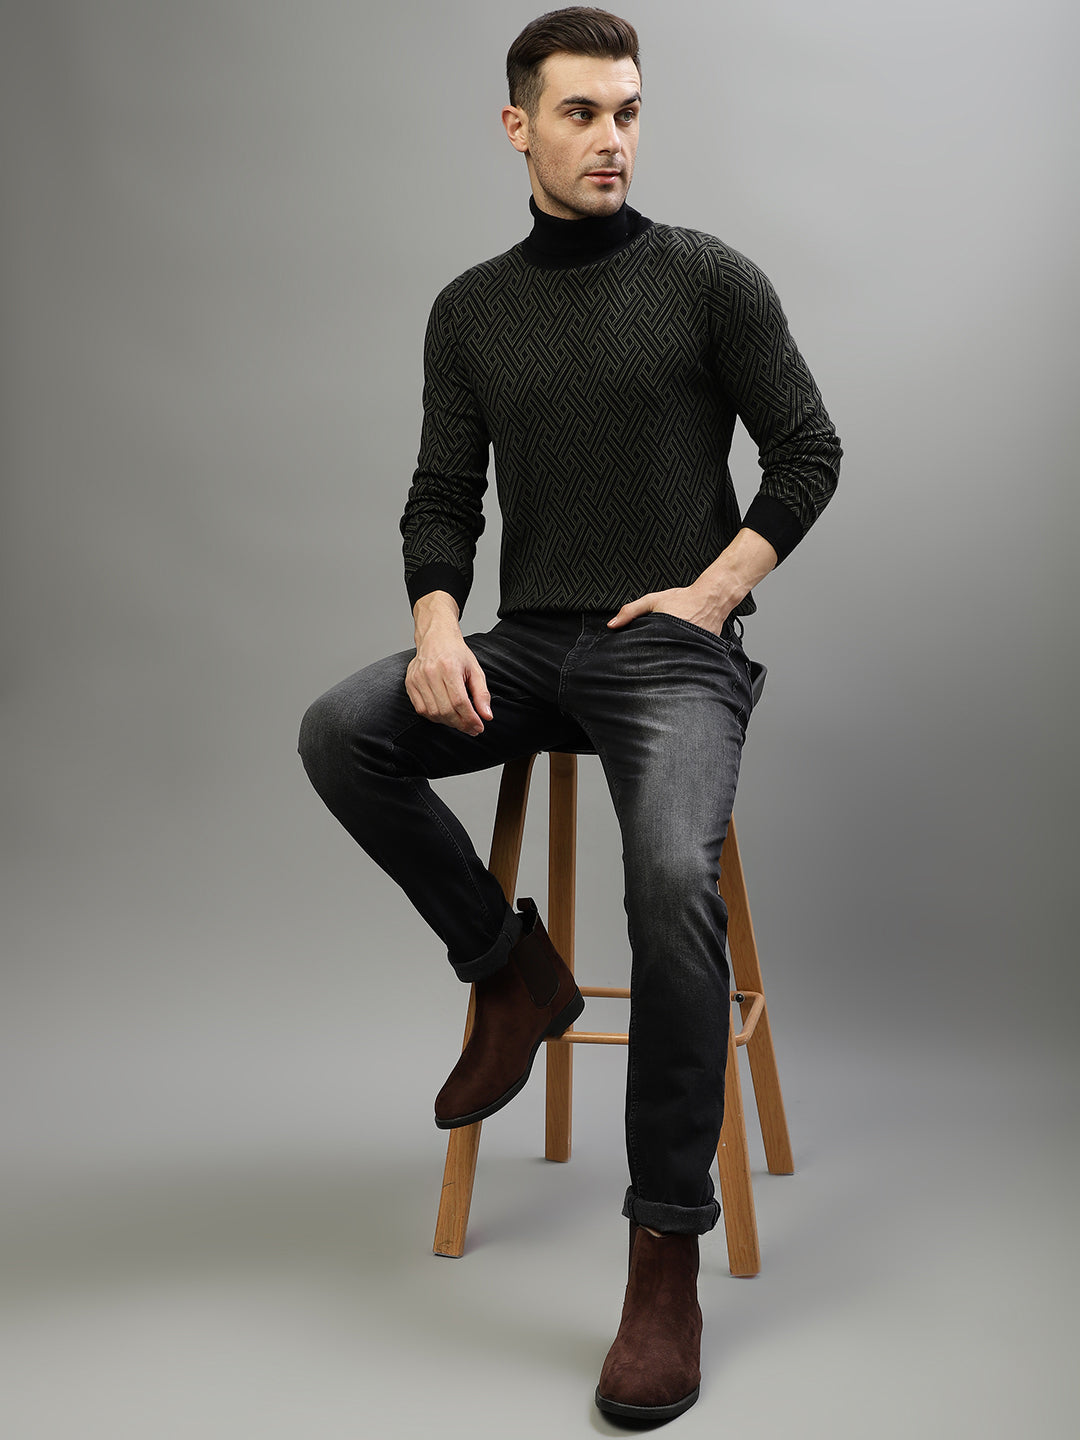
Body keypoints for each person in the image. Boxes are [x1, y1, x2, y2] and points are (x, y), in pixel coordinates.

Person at [299, 6, 840, 1422]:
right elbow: (441, 498)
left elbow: (807, 449)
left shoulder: (709, 278)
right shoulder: (471, 310)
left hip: (671, 650)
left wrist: (711, 593)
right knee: (342, 731)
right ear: (519, 126)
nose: (612, 138)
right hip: (532, 644)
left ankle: (664, 1255)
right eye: (583, 112)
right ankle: (512, 972)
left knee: (668, 878)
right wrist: (436, 627)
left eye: (629, 112)